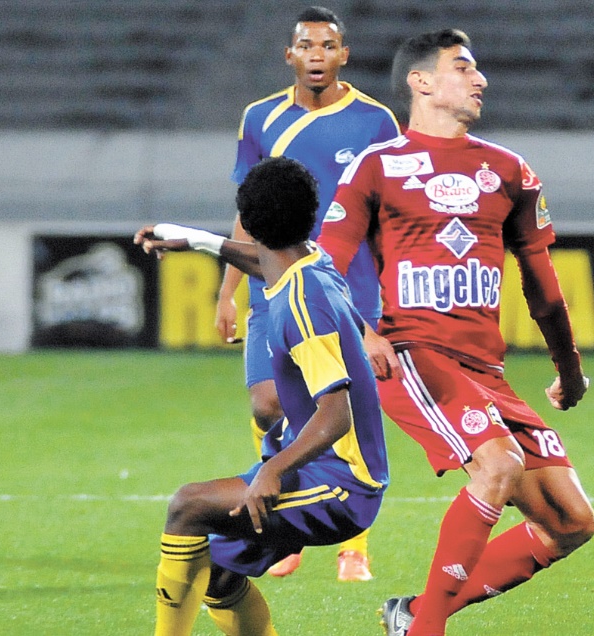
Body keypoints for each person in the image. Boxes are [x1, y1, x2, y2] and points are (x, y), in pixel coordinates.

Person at [316, 29, 594, 635]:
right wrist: (363, 332)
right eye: (463, 67)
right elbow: (323, 267)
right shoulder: (378, 166)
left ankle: (415, 614)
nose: (480, 79)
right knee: (498, 465)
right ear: (420, 82)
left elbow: (544, 288)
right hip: (412, 355)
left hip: (486, 371)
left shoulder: (509, 170)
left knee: (571, 522)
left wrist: (569, 368)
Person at [136, 156, 389, 635]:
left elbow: (336, 414)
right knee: (217, 575)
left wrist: (272, 470)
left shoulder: (300, 305)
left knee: (188, 507)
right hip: (321, 467)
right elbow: (265, 259)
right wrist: (198, 240)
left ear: (249, 224)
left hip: (342, 484)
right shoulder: (312, 261)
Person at [216, 5, 399, 580]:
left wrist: (388, 305)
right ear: (289, 55)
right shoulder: (260, 117)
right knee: (267, 404)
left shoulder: (375, 121)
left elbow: (390, 218)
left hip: (346, 292)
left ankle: (355, 546)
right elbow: (247, 208)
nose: (316, 56)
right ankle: (284, 522)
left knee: (342, 405)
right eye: (306, 46)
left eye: (327, 46)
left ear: (344, 54)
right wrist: (227, 292)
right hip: (272, 284)